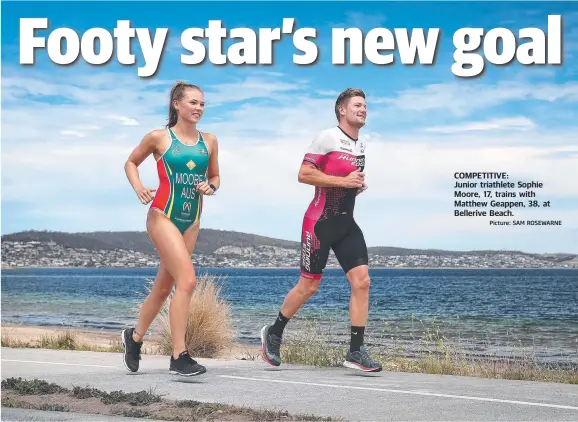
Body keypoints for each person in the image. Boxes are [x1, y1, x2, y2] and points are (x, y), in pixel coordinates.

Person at [260, 88, 382, 372]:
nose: (363, 109)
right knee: (309, 286)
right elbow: (304, 174)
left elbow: (344, 181)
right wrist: (343, 183)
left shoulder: (360, 146)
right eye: (358, 105)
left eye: (365, 105)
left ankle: (355, 351)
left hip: (347, 223)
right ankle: (274, 333)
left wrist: (356, 187)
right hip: (319, 223)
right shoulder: (327, 136)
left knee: (362, 282)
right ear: (342, 109)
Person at [121, 81, 220, 376]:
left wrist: (210, 186)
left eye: (202, 104)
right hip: (162, 216)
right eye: (193, 103)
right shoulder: (158, 138)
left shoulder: (210, 141)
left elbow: (215, 175)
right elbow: (130, 162)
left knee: (164, 288)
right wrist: (139, 188)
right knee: (187, 281)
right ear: (177, 104)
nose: (198, 108)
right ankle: (179, 355)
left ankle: (134, 338)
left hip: (192, 221)